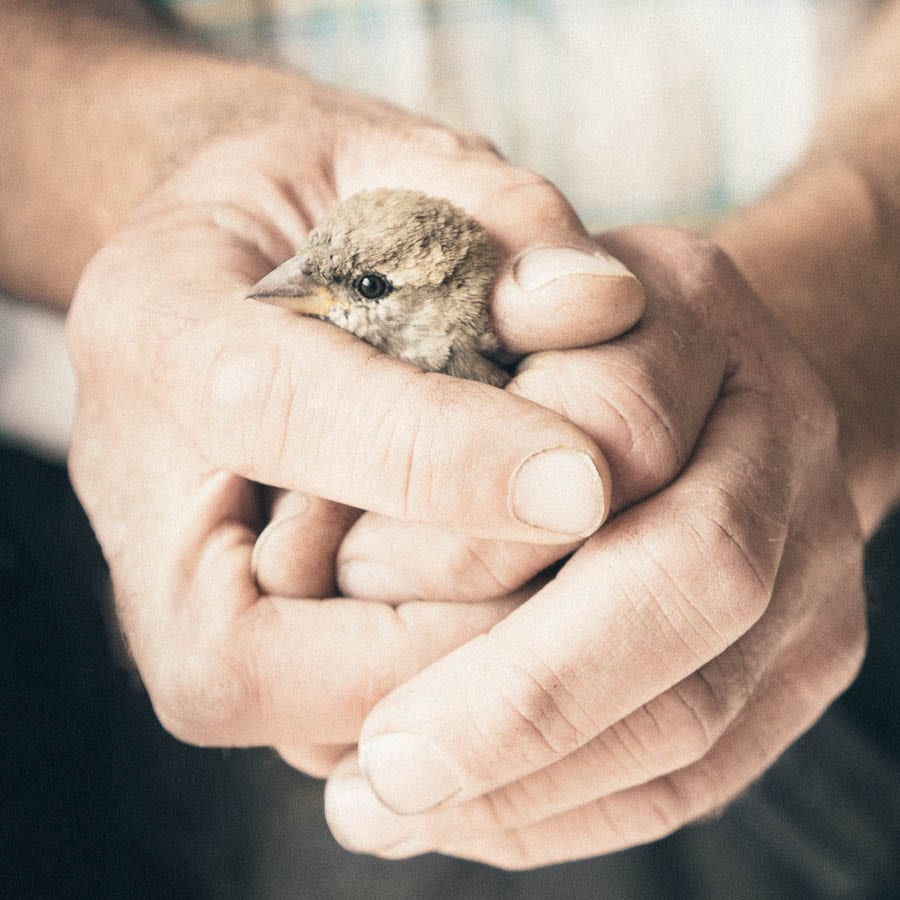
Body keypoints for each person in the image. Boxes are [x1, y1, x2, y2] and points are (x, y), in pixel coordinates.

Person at [1, 0, 897, 881]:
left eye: (364, 287)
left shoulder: (514, 342)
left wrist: (860, 272)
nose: (299, 292)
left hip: (818, 472)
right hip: (105, 512)